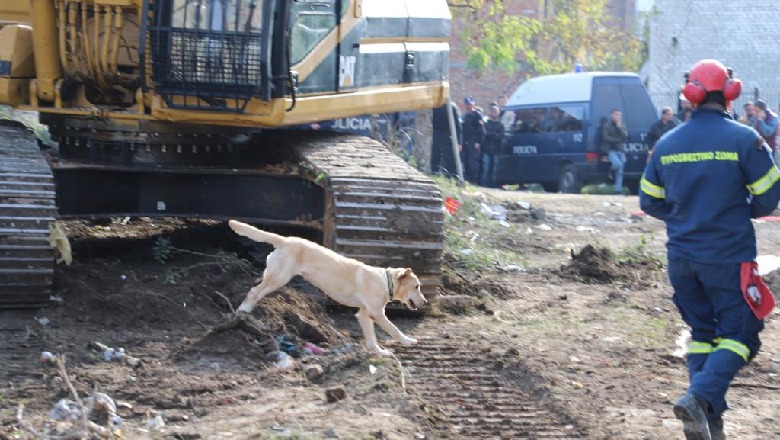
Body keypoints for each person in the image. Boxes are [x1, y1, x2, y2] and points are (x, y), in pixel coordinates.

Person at [640, 59, 780, 440]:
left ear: (690, 95)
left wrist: (686, 214)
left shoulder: (667, 143)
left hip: (682, 259)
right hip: (727, 257)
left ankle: (707, 421)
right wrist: (737, 208)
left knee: (703, 332)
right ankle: (699, 397)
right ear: (730, 92)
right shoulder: (744, 139)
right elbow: (769, 199)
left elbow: (649, 201)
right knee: (743, 333)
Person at [600, 108, 628, 194]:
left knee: (620, 172)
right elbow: (606, 138)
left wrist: (619, 127)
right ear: (612, 115)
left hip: (621, 150)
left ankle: (618, 191)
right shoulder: (607, 125)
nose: (618, 117)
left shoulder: (622, 125)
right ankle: (610, 172)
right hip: (611, 150)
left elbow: (625, 136)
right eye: (616, 115)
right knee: (617, 164)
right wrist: (617, 140)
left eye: (619, 115)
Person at [430, 102, 462, 177]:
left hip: (445, 135)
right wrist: (459, 142)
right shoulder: (435, 106)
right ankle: (437, 174)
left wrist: (459, 142)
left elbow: (457, 126)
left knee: (448, 159)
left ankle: (451, 176)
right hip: (439, 134)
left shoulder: (450, 107)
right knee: (437, 157)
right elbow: (458, 126)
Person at [461, 97, 485, 184]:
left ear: (473, 104)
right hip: (466, 141)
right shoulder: (464, 116)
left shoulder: (477, 115)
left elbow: (481, 129)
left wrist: (478, 142)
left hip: (474, 141)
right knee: (466, 161)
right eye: (467, 104)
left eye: (470, 104)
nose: (468, 106)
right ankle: (468, 180)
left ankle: (474, 180)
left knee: (473, 162)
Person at [480, 103, 504, 187]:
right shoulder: (486, 123)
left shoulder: (500, 125)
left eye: (495, 111)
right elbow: (485, 134)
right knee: (486, 168)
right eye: (492, 111)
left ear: (498, 113)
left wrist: (492, 134)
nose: (494, 113)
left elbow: (500, 136)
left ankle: (494, 185)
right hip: (487, 149)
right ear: (490, 113)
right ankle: (484, 184)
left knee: (495, 169)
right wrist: (494, 134)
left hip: (496, 149)